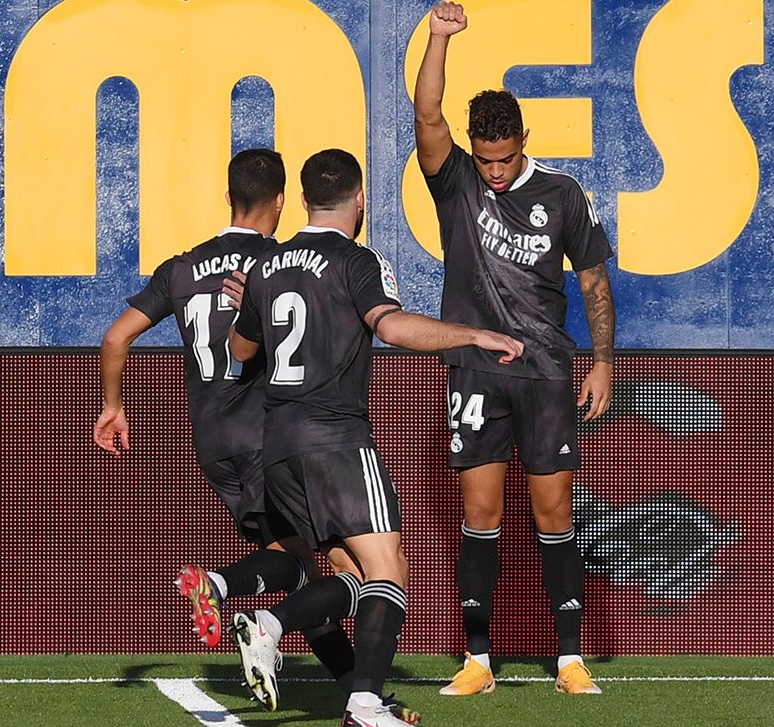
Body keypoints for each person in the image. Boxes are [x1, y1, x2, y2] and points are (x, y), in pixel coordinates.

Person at [227, 149, 524, 726]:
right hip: (335, 437)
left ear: (305, 201)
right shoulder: (358, 260)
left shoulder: (266, 266)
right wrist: (475, 336)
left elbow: (242, 350)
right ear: (359, 199)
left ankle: (278, 629)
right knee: (390, 569)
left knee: (352, 577)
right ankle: (361, 702)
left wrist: (254, 306)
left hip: (278, 445)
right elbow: (390, 326)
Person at [93, 148, 356, 700]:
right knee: (345, 564)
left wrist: (113, 407)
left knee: (293, 565)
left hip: (213, 442)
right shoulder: (282, 264)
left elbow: (116, 337)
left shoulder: (181, 267)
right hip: (271, 438)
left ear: (228, 198)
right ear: (283, 201)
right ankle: (221, 587)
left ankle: (352, 687)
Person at [413, 1, 617, 697]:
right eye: (485, 158)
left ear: (523, 140)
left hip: (545, 374)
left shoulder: (562, 195)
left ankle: (568, 658)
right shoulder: (459, 181)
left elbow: (593, 281)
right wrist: (438, 38)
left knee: (555, 512)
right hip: (473, 372)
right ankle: (478, 659)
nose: (494, 172)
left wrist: (604, 361)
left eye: (503, 158)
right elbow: (429, 116)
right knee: (480, 514)